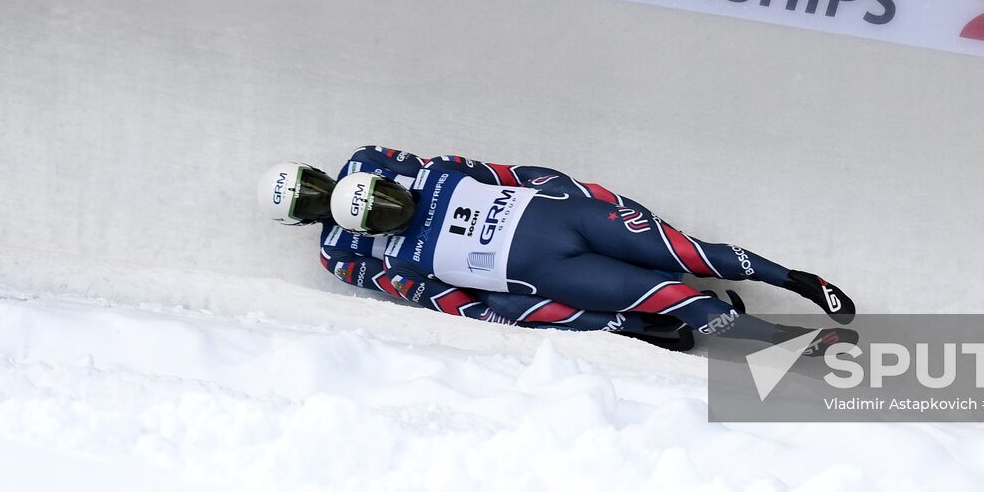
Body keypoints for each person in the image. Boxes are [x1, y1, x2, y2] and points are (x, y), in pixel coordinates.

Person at [261, 146, 856, 353]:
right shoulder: (348, 257)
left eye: (386, 198)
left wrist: (582, 193)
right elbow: (454, 302)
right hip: (552, 272)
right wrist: (604, 324)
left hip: (568, 220)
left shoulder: (391, 166)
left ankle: (799, 280)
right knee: (679, 299)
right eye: (305, 203)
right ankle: (789, 345)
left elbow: (506, 171)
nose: (392, 210)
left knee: (693, 255)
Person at [259, 153, 696, 350]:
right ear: (300, 221)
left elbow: (442, 173)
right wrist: (476, 312)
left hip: (499, 216)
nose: (320, 198)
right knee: (509, 304)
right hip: (474, 270)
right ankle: (636, 325)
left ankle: (672, 250)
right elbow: (406, 286)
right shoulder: (337, 254)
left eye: (315, 186)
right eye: (309, 203)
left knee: (576, 198)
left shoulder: (368, 161)